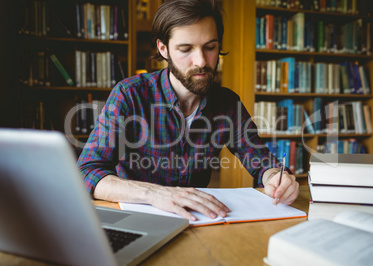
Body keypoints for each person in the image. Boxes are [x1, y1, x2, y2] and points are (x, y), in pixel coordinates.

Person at [78, 0, 299, 222]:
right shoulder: (130, 94)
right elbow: (86, 171)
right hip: (136, 218)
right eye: (186, 49)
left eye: (210, 47)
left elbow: (262, 162)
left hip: (196, 222)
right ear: (163, 49)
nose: (201, 61)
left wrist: (276, 179)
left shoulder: (228, 103)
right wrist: (154, 193)